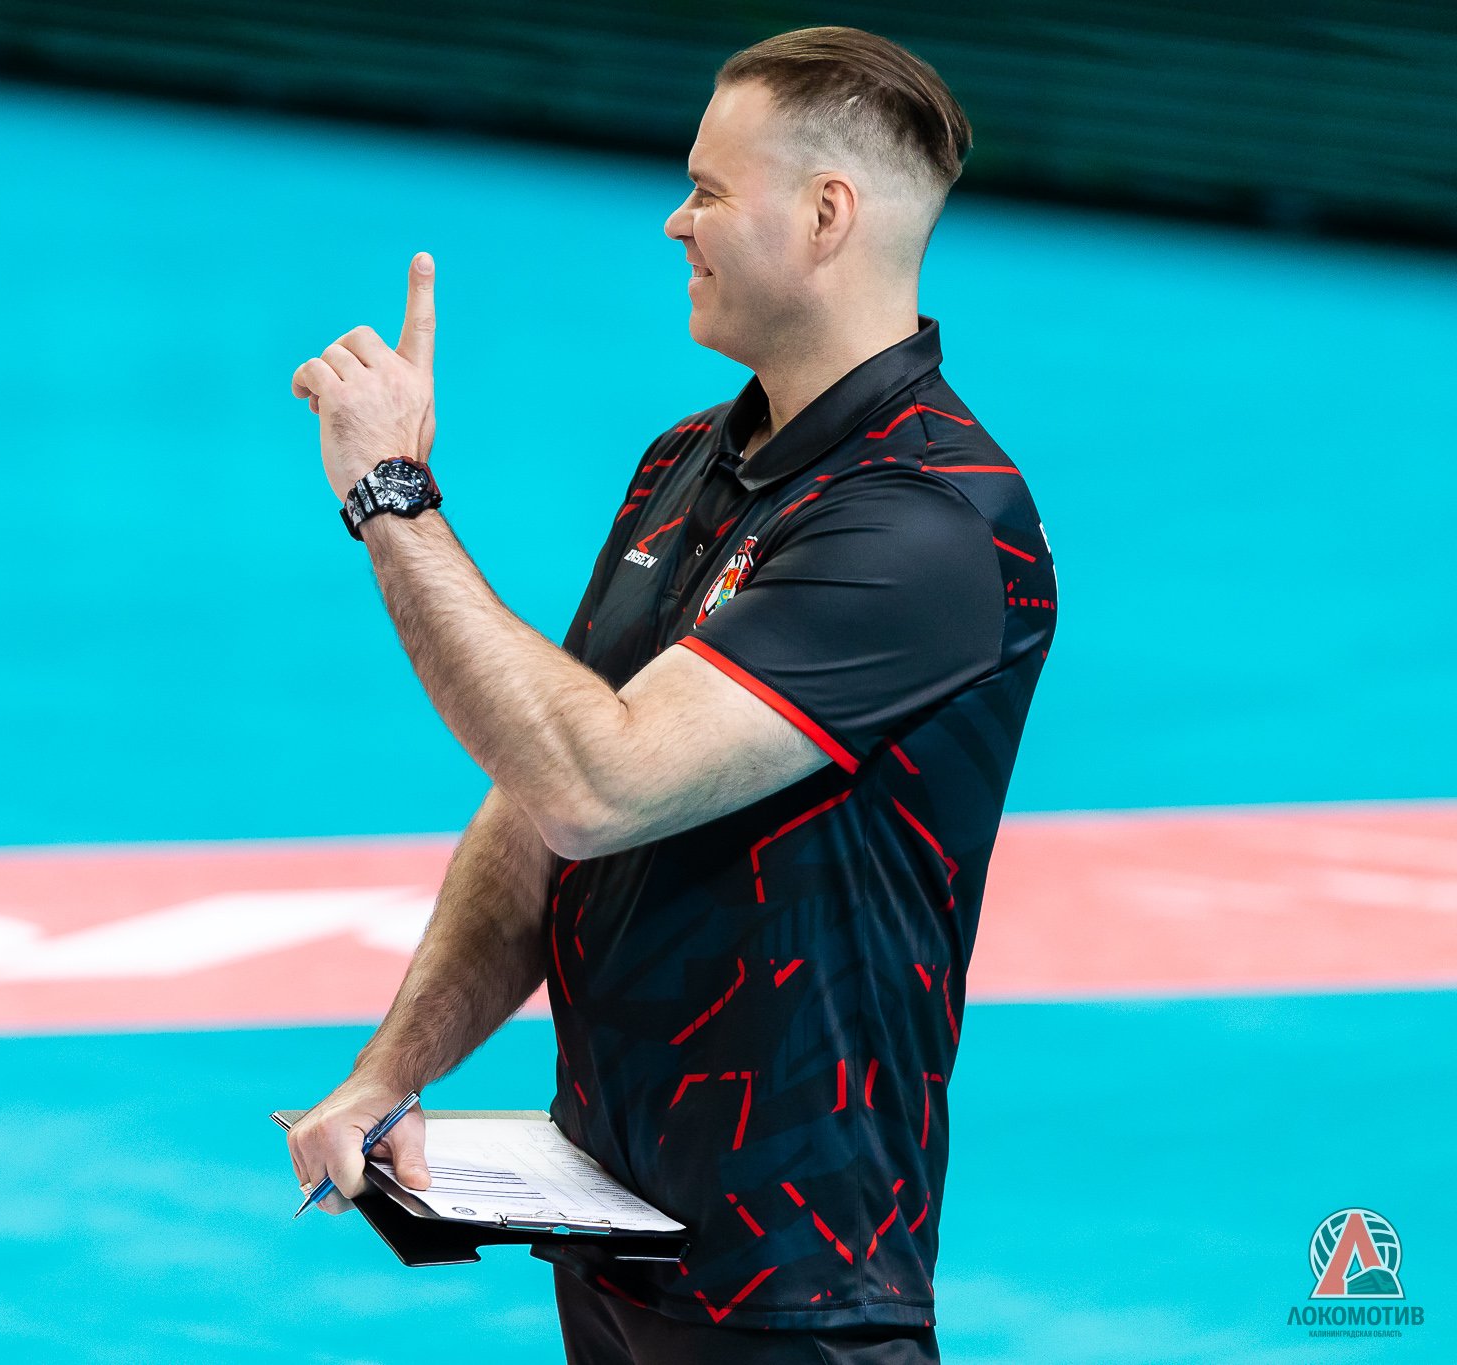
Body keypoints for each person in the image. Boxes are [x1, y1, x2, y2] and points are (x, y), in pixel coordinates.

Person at [284, 25, 1057, 1364]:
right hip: (618, 1238)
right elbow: (536, 804)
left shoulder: (928, 522)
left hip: (798, 1289)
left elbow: (602, 782)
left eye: (707, 189)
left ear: (827, 215)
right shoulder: (683, 462)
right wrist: (391, 1071)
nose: (673, 220)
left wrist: (392, 499)